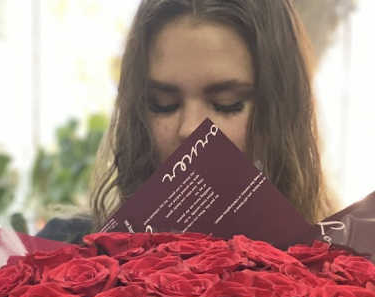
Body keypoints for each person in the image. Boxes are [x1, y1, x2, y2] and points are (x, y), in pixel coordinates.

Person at [39, 0, 334, 241]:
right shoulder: (66, 249)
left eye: (227, 104)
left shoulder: (339, 271)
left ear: (280, 113)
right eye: (162, 104)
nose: (190, 129)